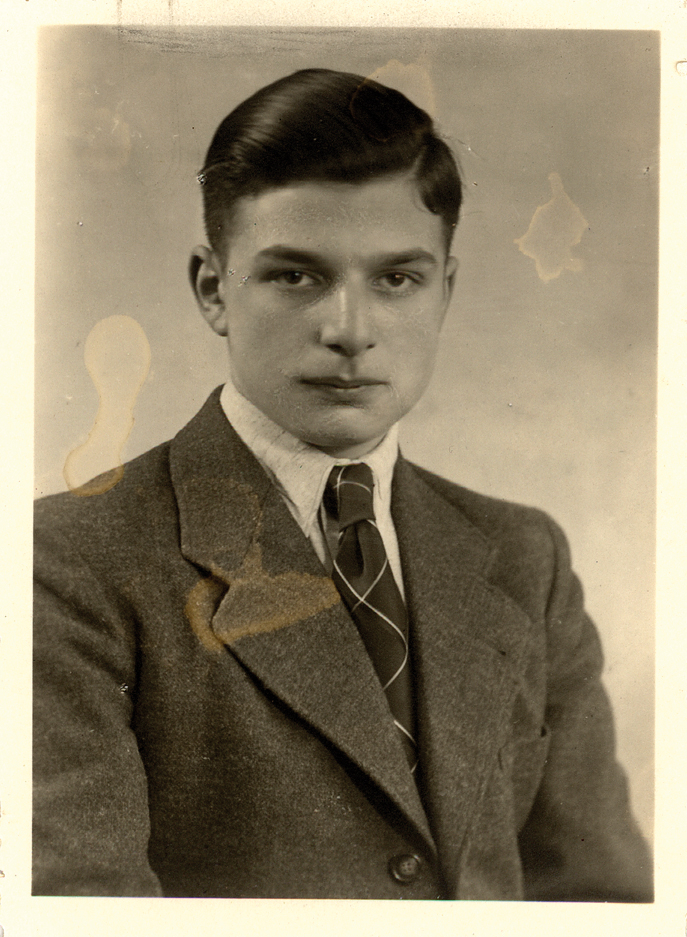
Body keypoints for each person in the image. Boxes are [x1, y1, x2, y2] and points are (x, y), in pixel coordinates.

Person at [33, 68, 652, 901]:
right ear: (213, 290)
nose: (349, 330)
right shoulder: (66, 560)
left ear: (444, 291)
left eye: (396, 279)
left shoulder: (523, 554)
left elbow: (601, 899)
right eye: (296, 276)